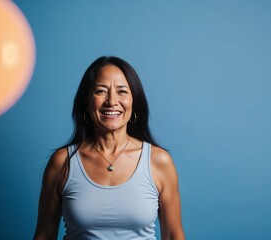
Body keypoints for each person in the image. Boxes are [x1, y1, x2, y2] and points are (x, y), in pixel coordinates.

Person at [34, 56, 185, 240]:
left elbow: (173, 236)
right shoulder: (62, 162)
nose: (112, 101)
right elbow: (44, 235)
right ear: (87, 101)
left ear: (134, 102)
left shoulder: (158, 161)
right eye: (101, 91)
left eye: (122, 91)